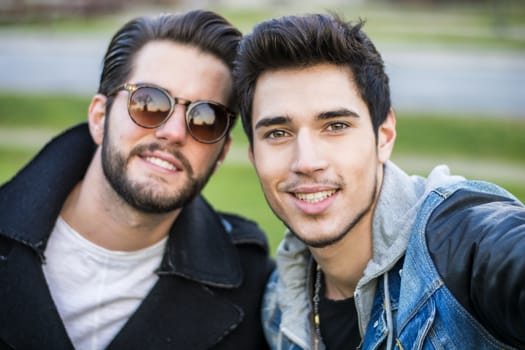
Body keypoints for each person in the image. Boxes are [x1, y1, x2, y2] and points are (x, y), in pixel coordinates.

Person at [234, 13, 525, 350]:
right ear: (254, 156)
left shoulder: (457, 240)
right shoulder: (279, 308)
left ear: (384, 136)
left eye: (336, 126)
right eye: (278, 133)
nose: (307, 162)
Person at [0, 10, 274, 350]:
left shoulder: (255, 288)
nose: (173, 132)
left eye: (205, 118)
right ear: (100, 118)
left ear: (221, 152)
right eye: (149, 102)